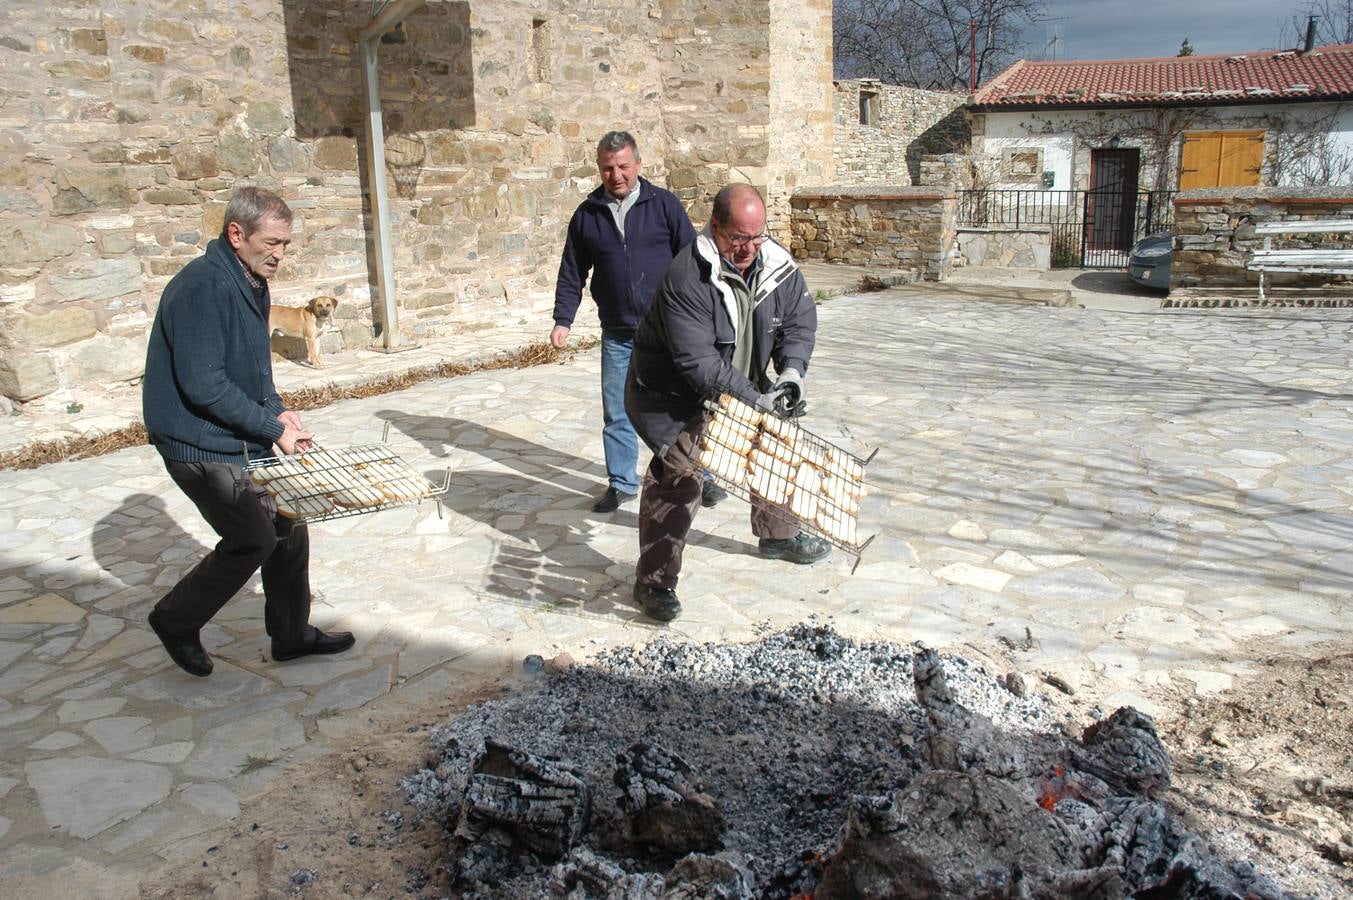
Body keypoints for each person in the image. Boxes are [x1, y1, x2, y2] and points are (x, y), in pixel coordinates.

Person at [141, 186, 355, 677]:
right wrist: (267, 426)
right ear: (237, 234)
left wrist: (277, 412)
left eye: (286, 245)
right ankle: (175, 619)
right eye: (273, 243)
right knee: (253, 538)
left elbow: (253, 368)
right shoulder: (203, 287)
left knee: (288, 526)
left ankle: (292, 636)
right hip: (198, 442)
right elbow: (204, 384)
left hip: (236, 435)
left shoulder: (250, 280)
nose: (280, 255)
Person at [624, 183, 830, 622]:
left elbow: (797, 320)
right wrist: (756, 399)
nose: (749, 249)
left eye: (757, 237)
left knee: (777, 440)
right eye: (738, 238)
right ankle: (653, 582)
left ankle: (778, 534)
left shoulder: (775, 262)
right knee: (680, 474)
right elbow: (697, 362)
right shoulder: (687, 276)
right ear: (715, 227)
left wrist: (790, 374)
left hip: (739, 381)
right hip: (671, 393)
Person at [552, 131, 720, 514]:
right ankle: (621, 483)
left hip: (670, 332)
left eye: (623, 166)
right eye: (608, 168)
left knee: (688, 405)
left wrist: (707, 312)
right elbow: (572, 272)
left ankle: (700, 477)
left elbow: (693, 261)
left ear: (638, 165)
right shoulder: (587, 215)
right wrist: (564, 319)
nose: (616, 175)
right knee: (618, 409)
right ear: (599, 168)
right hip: (620, 333)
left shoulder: (663, 205)